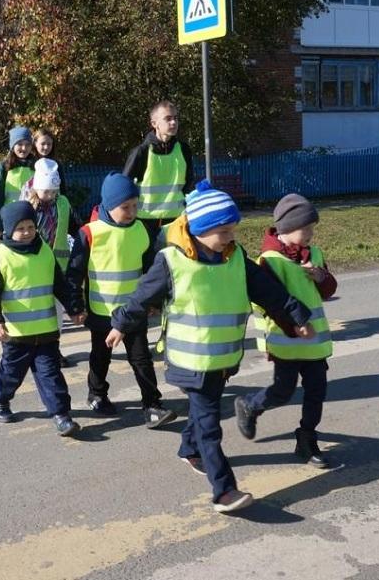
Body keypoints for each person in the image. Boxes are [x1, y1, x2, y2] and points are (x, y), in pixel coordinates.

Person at [106, 181, 313, 513]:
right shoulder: (171, 261)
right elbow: (142, 296)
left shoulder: (235, 258)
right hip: (192, 362)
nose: (231, 236)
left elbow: (268, 291)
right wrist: (120, 323)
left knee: (206, 414)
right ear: (200, 230)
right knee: (210, 425)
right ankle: (224, 490)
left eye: (232, 229)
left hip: (222, 359)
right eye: (224, 231)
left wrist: (295, 315)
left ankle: (189, 449)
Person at [65, 173, 177, 429]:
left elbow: (152, 272)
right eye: (125, 207)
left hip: (132, 311)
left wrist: (154, 301)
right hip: (101, 311)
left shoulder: (142, 230)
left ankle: (152, 405)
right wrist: (75, 306)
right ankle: (97, 395)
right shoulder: (89, 233)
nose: (131, 211)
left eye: (135, 206)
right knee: (100, 356)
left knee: (141, 359)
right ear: (108, 204)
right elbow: (74, 274)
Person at [234, 194, 338, 468]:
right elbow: (269, 300)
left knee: (317, 391)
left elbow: (328, 290)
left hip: (314, 342)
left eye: (312, 229)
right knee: (283, 390)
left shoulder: (314, 254)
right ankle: (250, 405)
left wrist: (322, 277)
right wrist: (294, 326)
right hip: (287, 341)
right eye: (307, 229)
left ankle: (307, 439)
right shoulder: (269, 259)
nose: (311, 235)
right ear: (288, 228)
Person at [0, 201, 86, 436]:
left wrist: (73, 307)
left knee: (51, 375)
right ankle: (0, 400)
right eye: (21, 228)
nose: (27, 232)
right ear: (9, 230)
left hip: (47, 331)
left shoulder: (45, 251)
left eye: (30, 226)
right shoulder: (1, 256)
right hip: (16, 334)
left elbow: (60, 285)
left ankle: (61, 415)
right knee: (11, 374)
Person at [20, 158, 82, 367]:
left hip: (59, 266)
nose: (50, 196)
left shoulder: (62, 203)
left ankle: (54, 349)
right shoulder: (28, 207)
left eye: (53, 191)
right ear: (37, 188)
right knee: (36, 309)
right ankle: (30, 348)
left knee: (56, 311)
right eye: (46, 192)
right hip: (35, 266)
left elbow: (74, 226)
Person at [123, 100, 195, 246]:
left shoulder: (184, 150)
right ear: (154, 124)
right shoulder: (141, 153)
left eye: (175, 118)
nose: (174, 122)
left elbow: (189, 186)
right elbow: (123, 188)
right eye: (168, 119)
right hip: (145, 223)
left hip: (177, 221)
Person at [0, 125, 35, 233]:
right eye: (19, 144)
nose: (24, 148)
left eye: (27, 144)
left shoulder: (37, 165)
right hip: (10, 220)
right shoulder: (3, 167)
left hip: (32, 219)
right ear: (12, 146)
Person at [30, 128, 67, 194]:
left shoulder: (56, 165)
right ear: (35, 143)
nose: (46, 147)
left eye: (49, 144)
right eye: (43, 144)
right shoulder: (29, 163)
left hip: (52, 202)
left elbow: (62, 189)